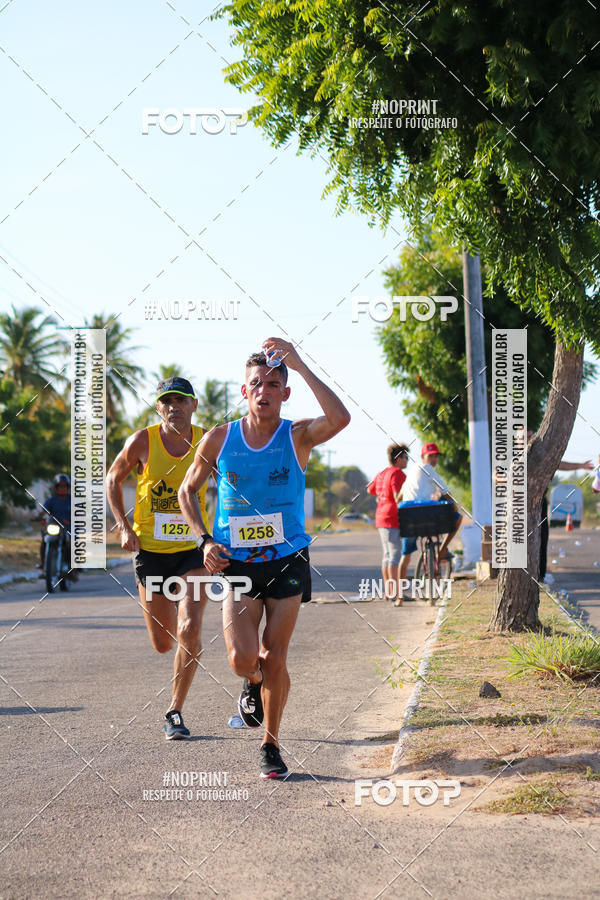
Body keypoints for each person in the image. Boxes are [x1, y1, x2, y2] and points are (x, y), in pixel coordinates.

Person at [178, 338, 350, 779]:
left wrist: (300, 363)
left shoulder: (297, 436)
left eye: (274, 384)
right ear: (244, 390)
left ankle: (270, 745)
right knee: (241, 658)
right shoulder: (220, 438)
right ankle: (251, 682)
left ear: (285, 393)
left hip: (287, 558)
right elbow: (186, 491)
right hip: (235, 563)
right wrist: (203, 540)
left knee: (275, 654)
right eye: (257, 383)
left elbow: (340, 418)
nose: (264, 390)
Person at [105, 377, 209, 741]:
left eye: (181, 400)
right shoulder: (142, 441)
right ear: (158, 407)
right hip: (150, 552)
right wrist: (123, 527)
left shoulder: (207, 441)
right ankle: (178, 643)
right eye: (167, 401)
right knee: (164, 643)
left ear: (194, 405)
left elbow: (234, 481)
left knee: (189, 629)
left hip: (193, 550)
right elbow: (112, 479)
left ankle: (174, 710)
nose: (174, 407)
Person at [397, 442, 462, 603]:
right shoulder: (428, 469)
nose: (434, 459)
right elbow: (446, 492)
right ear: (423, 457)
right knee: (458, 518)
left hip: (408, 515)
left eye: (436, 456)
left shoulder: (411, 472)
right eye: (431, 456)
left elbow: (398, 497)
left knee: (405, 556)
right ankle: (442, 549)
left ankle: (399, 597)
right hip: (425, 513)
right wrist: (454, 506)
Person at [367, 444, 409, 602]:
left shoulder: (382, 472)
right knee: (395, 556)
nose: (407, 460)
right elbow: (398, 496)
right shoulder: (397, 473)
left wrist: (381, 496)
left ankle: (389, 592)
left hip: (380, 516)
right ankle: (396, 593)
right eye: (405, 457)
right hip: (392, 517)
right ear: (398, 459)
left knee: (387, 556)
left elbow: (370, 489)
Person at [39, 473, 77, 580]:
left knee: (70, 545)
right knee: (44, 542)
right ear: (56, 487)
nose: (62, 488)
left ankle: (72, 569)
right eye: (60, 486)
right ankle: (44, 567)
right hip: (54, 527)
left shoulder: (73, 500)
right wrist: (41, 516)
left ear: (68, 487)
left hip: (69, 529)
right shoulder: (51, 501)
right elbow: (44, 512)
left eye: (64, 486)